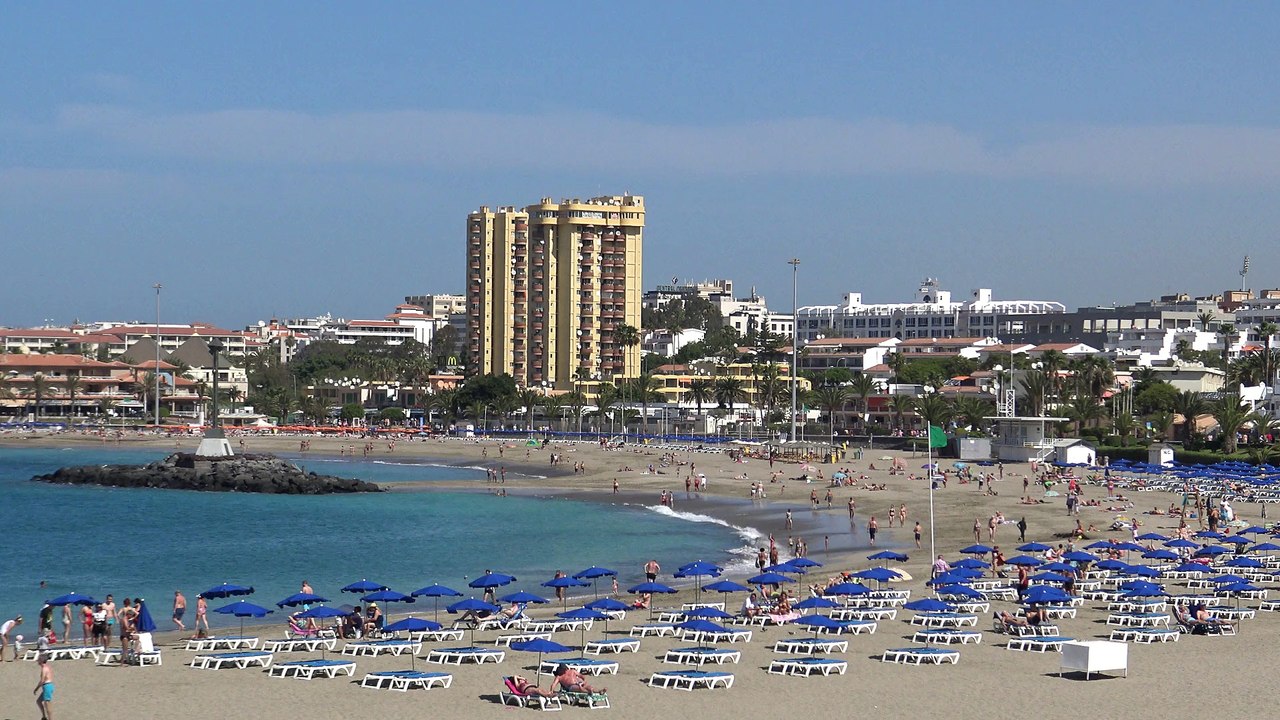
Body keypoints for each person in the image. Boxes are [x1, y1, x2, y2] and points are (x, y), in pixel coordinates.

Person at [34, 652, 54, 720]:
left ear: (41, 660)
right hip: (48, 686)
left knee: (47, 704)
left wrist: (36, 689)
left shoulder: (44, 668)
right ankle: (44, 716)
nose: (37, 661)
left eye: (38, 659)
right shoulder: (47, 667)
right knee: (39, 701)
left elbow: (42, 680)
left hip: (47, 686)